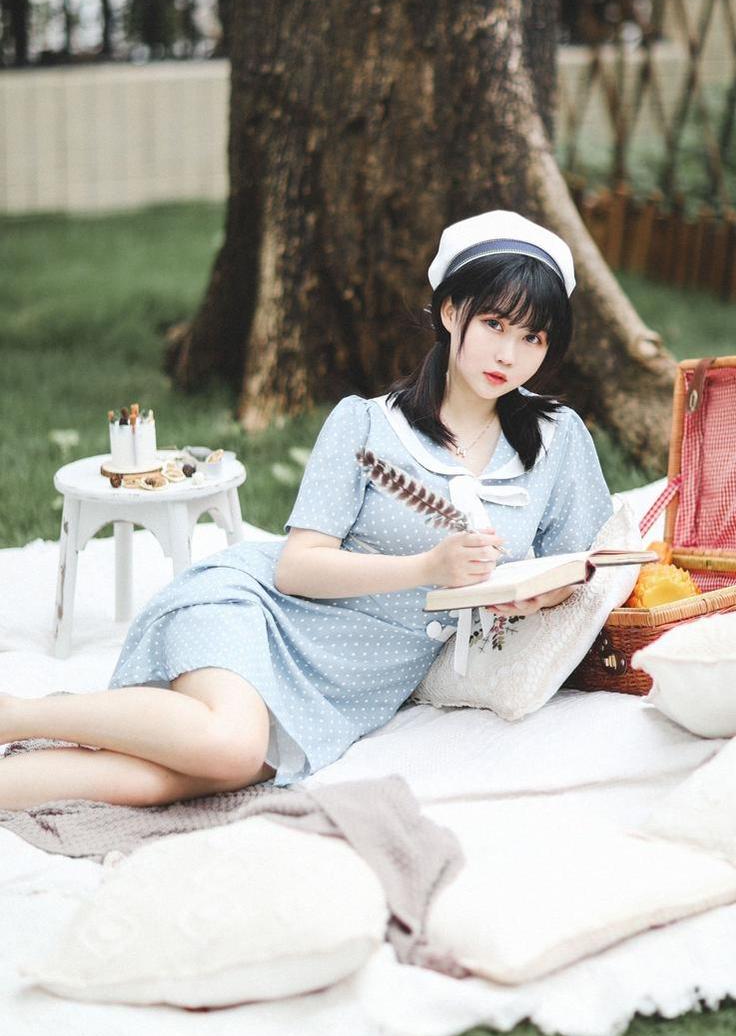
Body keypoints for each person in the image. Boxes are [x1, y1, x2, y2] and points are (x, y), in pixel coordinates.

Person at [0, 211, 613, 810]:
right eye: (494, 324)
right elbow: (297, 568)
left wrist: (540, 596)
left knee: (182, 776)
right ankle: (17, 715)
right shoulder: (366, 425)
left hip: (354, 682)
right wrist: (428, 568)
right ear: (452, 313)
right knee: (230, 747)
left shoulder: (557, 439)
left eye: (532, 338)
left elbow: (585, 563)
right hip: (264, 613)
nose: (508, 354)